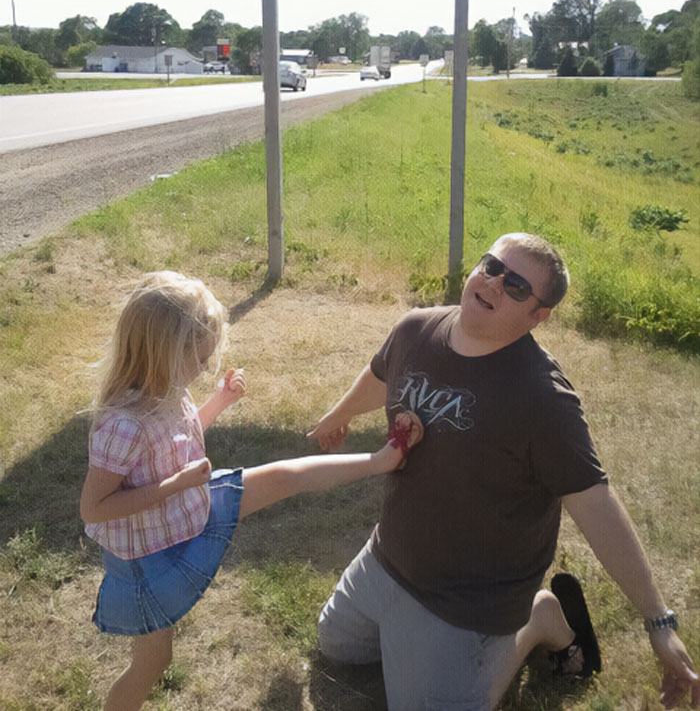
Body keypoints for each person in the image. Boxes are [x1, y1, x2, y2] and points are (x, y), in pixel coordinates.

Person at [310, 233, 699, 710]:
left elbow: (595, 504)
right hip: (386, 557)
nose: (494, 283)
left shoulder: (543, 400)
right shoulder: (416, 329)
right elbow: (383, 374)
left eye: (516, 286)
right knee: (336, 646)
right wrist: (339, 415)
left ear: (538, 316)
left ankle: (539, 619)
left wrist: (658, 622)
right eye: (491, 266)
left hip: (469, 598)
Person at [80, 270, 422, 711]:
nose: (204, 369)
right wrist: (176, 484)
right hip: (152, 553)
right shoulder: (121, 425)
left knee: (284, 477)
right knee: (153, 662)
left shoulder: (169, 388)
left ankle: (379, 461)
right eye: (199, 360)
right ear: (161, 350)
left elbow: (172, 441)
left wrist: (217, 404)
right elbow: (94, 509)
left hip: (187, 508)